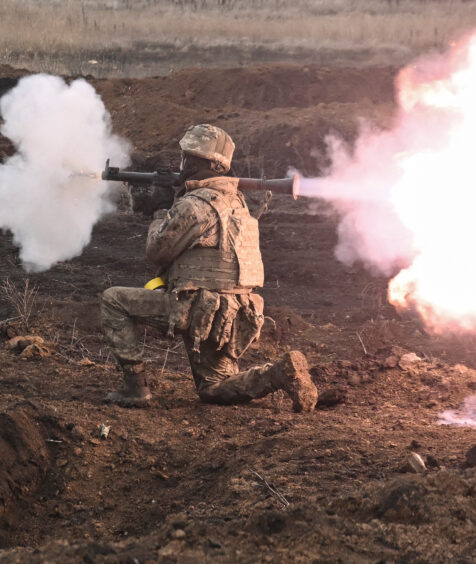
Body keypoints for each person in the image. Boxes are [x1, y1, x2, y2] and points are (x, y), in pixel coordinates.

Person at [99, 124, 318, 412]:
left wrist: (160, 209)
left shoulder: (195, 206)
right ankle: (279, 373)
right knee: (214, 389)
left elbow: (157, 251)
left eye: (189, 158)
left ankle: (134, 387)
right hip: (231, 314)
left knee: (114, 300)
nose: (183, 164)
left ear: (208, 164)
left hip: (196, 309)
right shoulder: (238, 204)